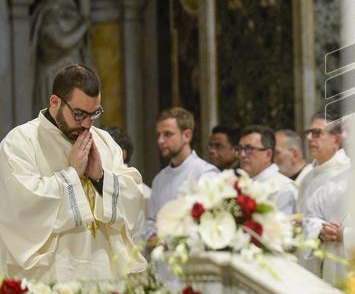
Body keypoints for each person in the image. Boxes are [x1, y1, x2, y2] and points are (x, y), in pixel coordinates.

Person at [0, 64, 146, 281]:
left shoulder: (105, 142)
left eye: (94, 113)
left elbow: (134, 198)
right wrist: (71, 176)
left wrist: (100, 178)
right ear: (55, 102)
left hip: (105, 277)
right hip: (49, 280)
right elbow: (19, 207)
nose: (87, 124)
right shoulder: (21, 142)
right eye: (79, 114)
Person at [146, 107, 218, 242]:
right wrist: (153, 236)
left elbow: (211, 223)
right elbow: (151, 221)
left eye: (167, 134)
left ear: (187, 135)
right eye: (158, 135)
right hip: (163, 259)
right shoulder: (159, 180)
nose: (160, 141)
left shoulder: (206, 174)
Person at [296, 114, 352, 279]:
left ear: (336, 140)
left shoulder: (348, 173)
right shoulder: (306, 177)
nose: (309, 138)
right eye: (308, 132)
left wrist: (321, 230)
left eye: (316, 133)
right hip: (309, 264)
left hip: (338, 259)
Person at [237, 125, 297, 216]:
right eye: (240, 149)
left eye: (249, 149)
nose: (242, 155)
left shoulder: (283, 189)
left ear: (268, 154)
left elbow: (283, 227)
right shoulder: (239, 185)